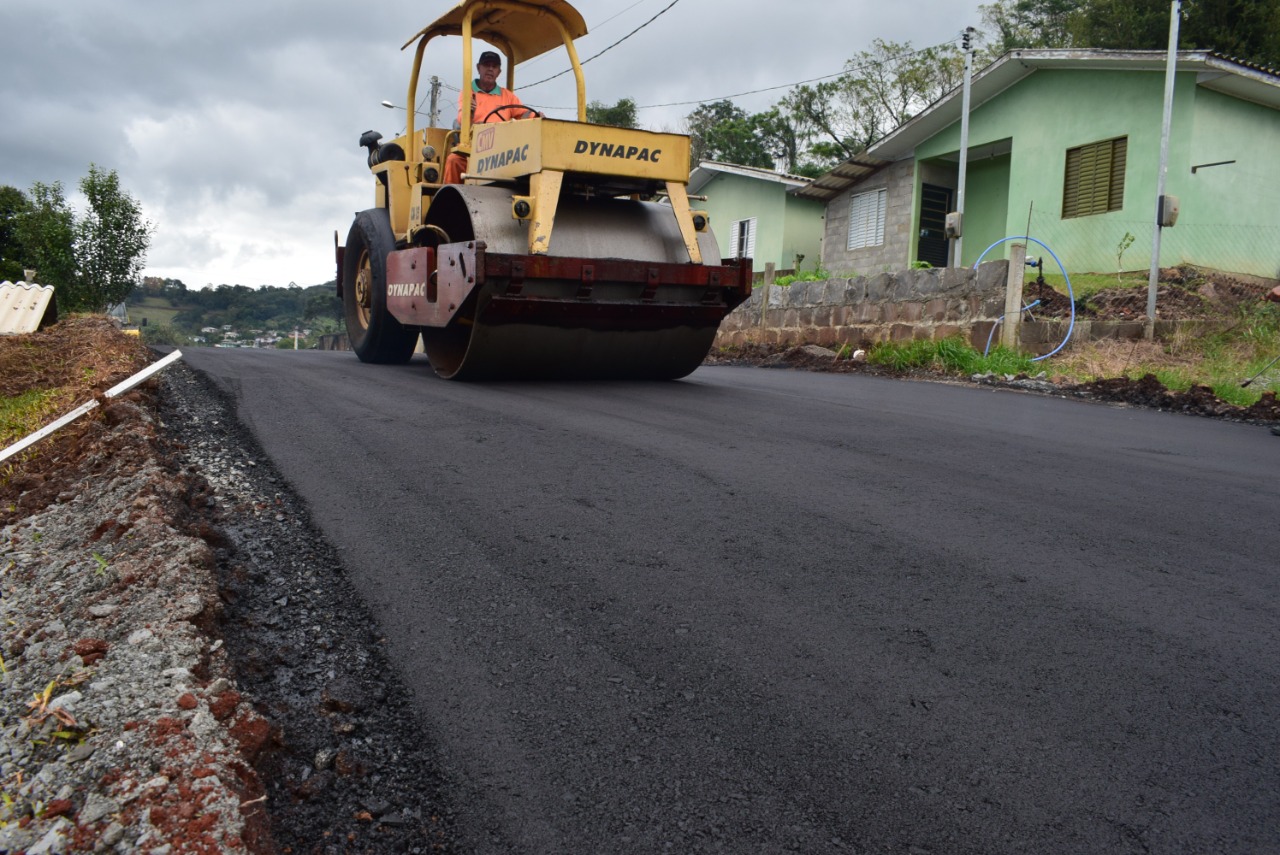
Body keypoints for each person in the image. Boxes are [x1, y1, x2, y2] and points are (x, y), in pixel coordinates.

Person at [443, 50, 534, 184]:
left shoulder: (507, 96)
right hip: (473, 151)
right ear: (478, 68)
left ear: (499, 72)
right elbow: (462, 121)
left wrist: (536, 116)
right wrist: (470, 113)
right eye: (486, 65)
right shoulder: (468, 92)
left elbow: (524, 113)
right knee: (454, 160)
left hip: (500, 155)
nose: (490, 69)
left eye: (494, 66)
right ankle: (450, 197)